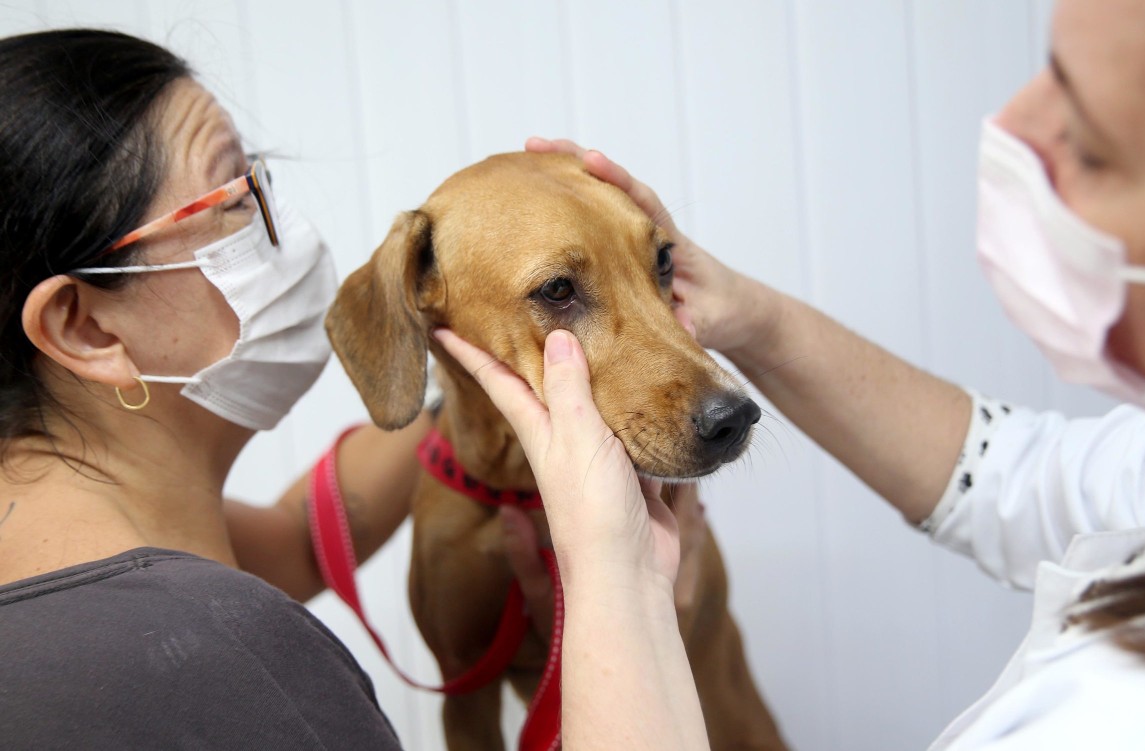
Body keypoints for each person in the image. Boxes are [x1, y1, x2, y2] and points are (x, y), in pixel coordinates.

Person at [439, 0, 1145, 748]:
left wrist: (622, 589)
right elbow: (1011, 472)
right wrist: (742, 312)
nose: (1010, 127)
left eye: (1095, 140)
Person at [0, 27, 660, 749]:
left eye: (260, 180)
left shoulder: (95, 562)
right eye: (231, 201)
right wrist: (625, 586)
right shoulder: (230, 660)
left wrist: (461, 348)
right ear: (85, 328)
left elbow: (306, 539)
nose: (282, 230)